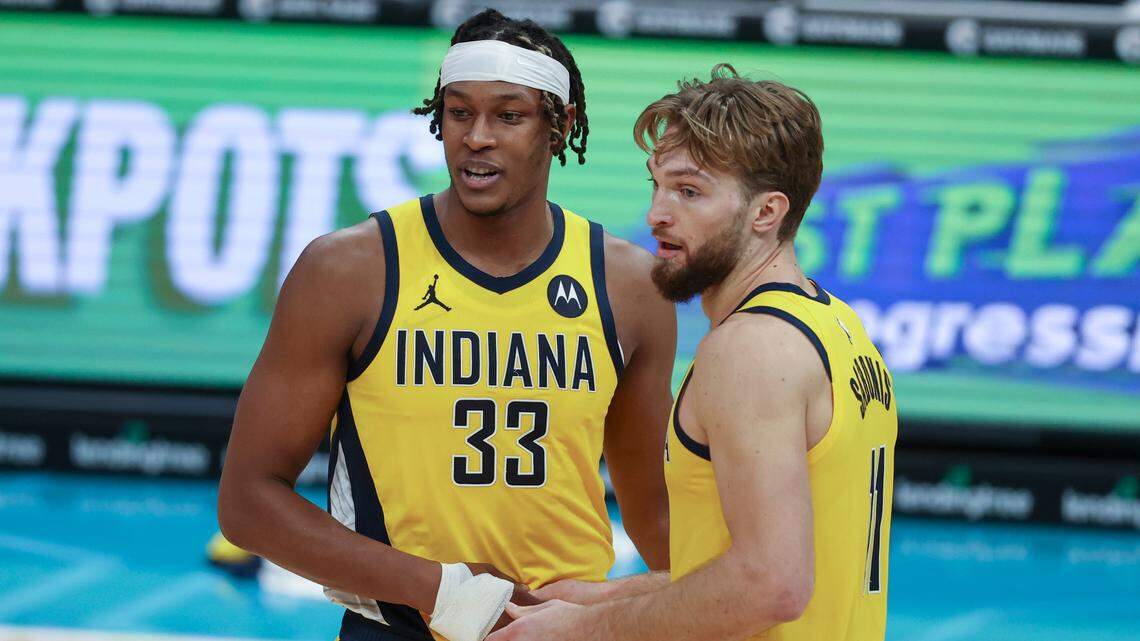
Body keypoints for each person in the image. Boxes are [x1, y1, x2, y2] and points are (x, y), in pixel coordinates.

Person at [216, 10, 676, 641]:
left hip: (567, 628)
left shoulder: (630, 287)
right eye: (459, 113)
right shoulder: (349, 269)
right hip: (399, 628)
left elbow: (655, 514)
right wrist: (444, 591)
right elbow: (247, 501)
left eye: (508, 116)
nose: (477, 137)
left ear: (560, 126)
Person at [491, 64, 897, 641]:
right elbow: (771, 563)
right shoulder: (834, 323)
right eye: (656, 184)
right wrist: (600, 599)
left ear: (766, 212)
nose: (658, 213)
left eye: (689, 191)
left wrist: (585, 632)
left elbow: (771, 586)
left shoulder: (751, 349)